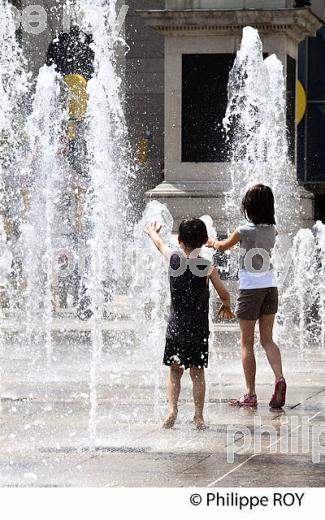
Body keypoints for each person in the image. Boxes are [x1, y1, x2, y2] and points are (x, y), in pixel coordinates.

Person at [145, 219, 234, 430]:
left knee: (175, 372)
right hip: (198, 330)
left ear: (179, 240)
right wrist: (227, 305)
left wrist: (152, 232)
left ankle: (172, 410)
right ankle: (198, 416)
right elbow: (224, 292)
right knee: (197, 373)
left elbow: (159, 244)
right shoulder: (206, 266)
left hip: (175, 329)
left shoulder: (173, 259)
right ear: (204, 241)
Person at [207, 184, 286, 408]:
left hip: (251, 290)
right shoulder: (273, 230)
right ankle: (279, 378)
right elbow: (255, 251)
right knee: (268, 339)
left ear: (248, 207)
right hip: (270, 287)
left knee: (246, 343)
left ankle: (250, 394)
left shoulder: (243, 230)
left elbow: (221, 246)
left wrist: (213, 242)